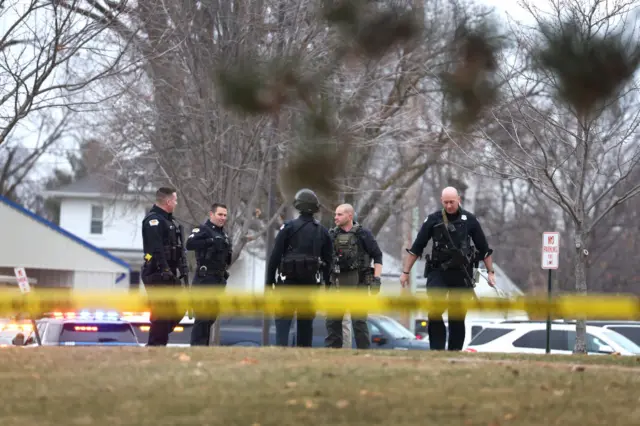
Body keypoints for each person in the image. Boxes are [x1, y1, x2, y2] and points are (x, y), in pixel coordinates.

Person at [400, 186, 496, 351]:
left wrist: (491, 273)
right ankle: (437, 350)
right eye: (446, 202)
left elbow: (484, 249)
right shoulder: (433, 219)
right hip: (439, 272)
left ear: (459, 199)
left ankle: (455, 351)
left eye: (452, 202)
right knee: (435, 312)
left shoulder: (470, 220)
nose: (449, 206)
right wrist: (405, 272)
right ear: (441, 201)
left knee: (457, 316)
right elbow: (417, 248)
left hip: (462, 274)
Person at [266, 188, 333, 347]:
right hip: (310, 286)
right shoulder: (322, 232)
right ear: (314, 208)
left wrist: (269, 283)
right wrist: (326, 285)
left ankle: (282, 356)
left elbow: (275, 257)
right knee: (305, 325)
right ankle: (304, 357)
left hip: (286, 284)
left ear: (298, 205)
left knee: (283, 323)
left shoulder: (287, 228)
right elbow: (328, 262)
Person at [325, 204, 383, 349]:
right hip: (337, 285)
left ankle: (364, 354)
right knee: (332, 322)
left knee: (359, 322)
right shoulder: (331, 235)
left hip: (359, 284)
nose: (335, 217)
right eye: (335, 214)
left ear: (350, 216)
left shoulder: (363, 234)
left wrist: (376, 279)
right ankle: (333, 355)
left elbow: (377, 256)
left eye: (339, 214)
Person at [141, 187, 187, 346]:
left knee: (180, 307)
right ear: (168, 201)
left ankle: (158, 337)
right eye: (175, 200)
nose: (176, 203)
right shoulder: (153, 221)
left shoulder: (170, 221)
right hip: (157, 273)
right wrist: (165, 268)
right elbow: (156, 249)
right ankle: (155, 344)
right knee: (161, 313)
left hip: (170, 274)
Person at [186, 203, 232, 346]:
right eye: (220, 214)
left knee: (211, 317)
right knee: (202, 318)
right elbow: (189, 244)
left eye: (225, 215)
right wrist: (210, 241)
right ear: (211, 214)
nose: (222, 218)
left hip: (218, 280)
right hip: (205, 280)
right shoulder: (202, 230)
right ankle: (197, 349)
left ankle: (203, 348)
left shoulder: (224, 234)